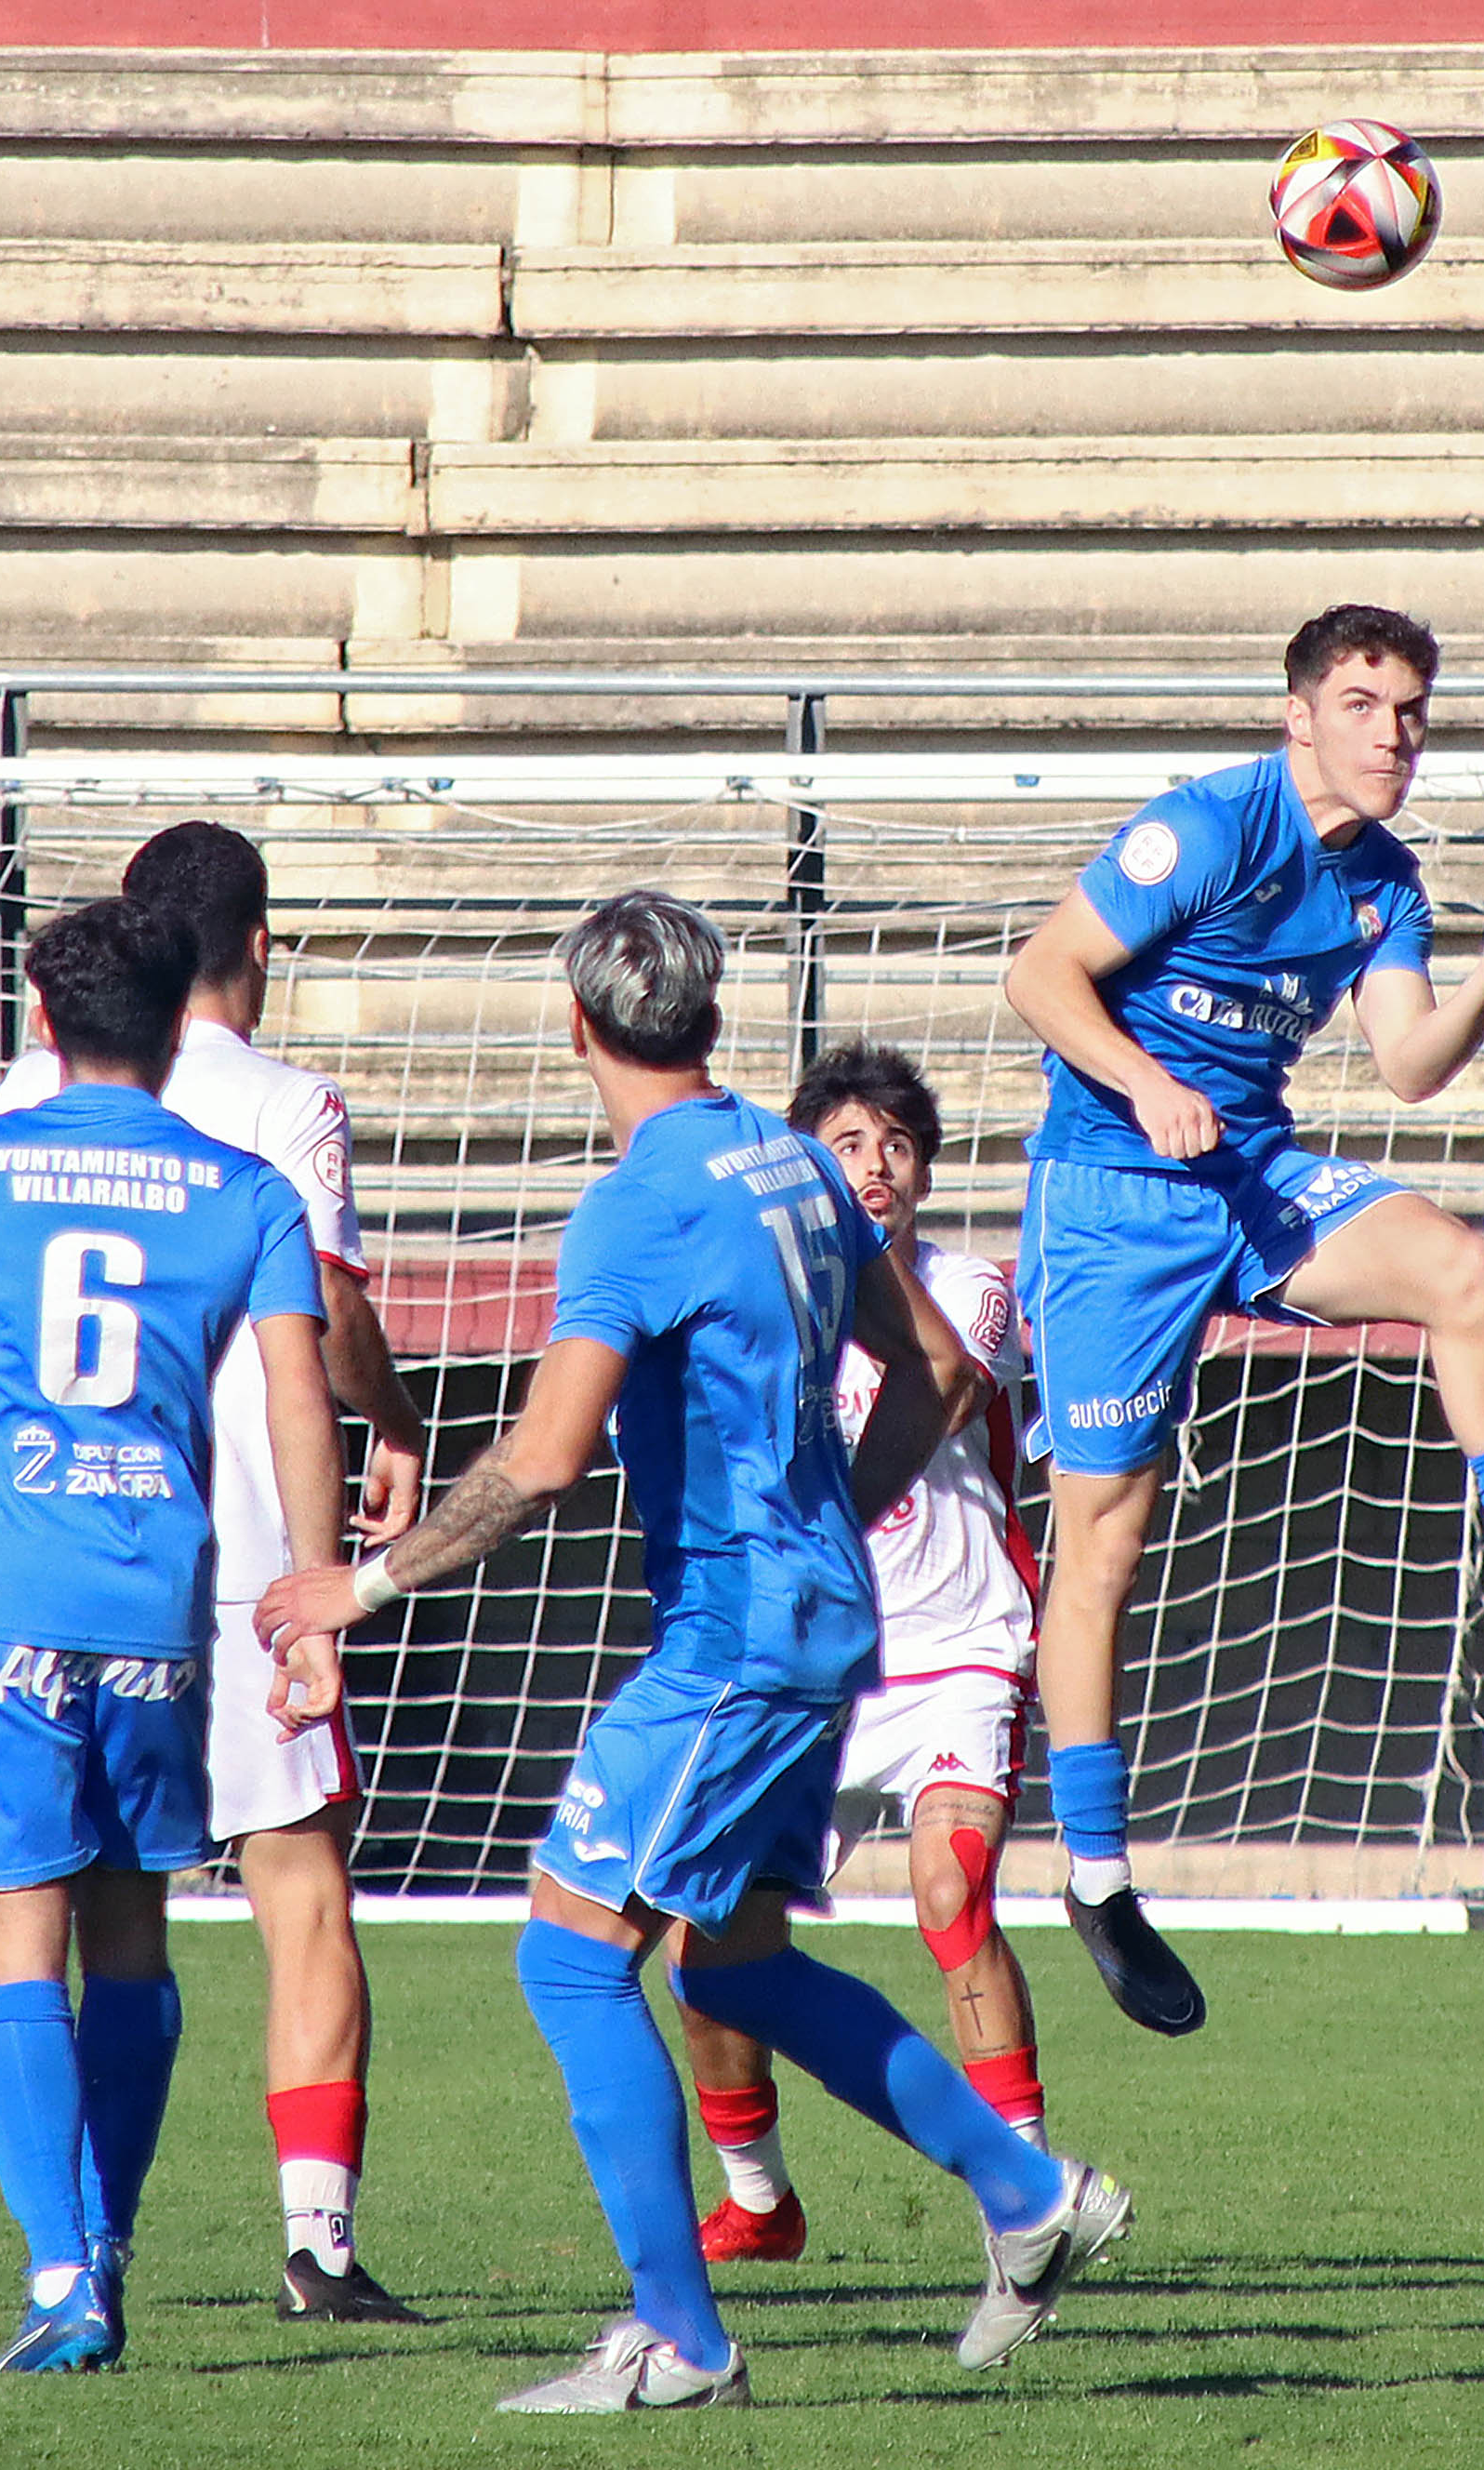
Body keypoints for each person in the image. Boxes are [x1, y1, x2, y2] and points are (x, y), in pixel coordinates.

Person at [258, 892, 1132, 2411]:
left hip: (732, 1642)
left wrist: (364, 1583)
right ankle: (1025, 2193)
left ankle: (683, 2334)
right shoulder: (796, 1160)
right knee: (740, 1958)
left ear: (579, 1026)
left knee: (572, 1957)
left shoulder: (640, 1205)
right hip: (821, 1619)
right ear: (711, 1016)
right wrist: (834, 1511)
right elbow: (934, 1364)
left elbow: (539, 1462)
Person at [0, 822, 432, 2327]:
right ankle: (275, 2242)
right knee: (229, 1898)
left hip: (14, 1579)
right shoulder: (264, 1150)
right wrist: (336, 1555)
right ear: (241, 953)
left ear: (47, 1005)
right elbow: (310, 1352)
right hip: (204, 1582)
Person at [1000, 601, 1484, 2037]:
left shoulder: (1386, 882)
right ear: (1300, 712)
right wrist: (1141, 1081)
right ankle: (1094, 1870)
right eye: (1368, 706)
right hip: (1116, 1199)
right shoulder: (1201, 829)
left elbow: (1408, 1067)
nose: (1396, 736)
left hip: (1248, 1168)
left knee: (1461, 1274)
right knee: (1103, 1545)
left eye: (1415, 711)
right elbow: (1038, 975)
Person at [677, 1044, 1053, 2263]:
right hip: (814, 1668)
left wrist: (870, 1241)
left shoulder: (972, 1286)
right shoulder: (765, 1294)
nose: (875, 1165)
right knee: (712, 1930)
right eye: (846, 1145)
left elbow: (944, 1386)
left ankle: (1025, 2195)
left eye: (896, 1146)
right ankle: (758, 2197)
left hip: (956, 1647)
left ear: (927, 1170)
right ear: (801, 1161)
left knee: (952, 1894)